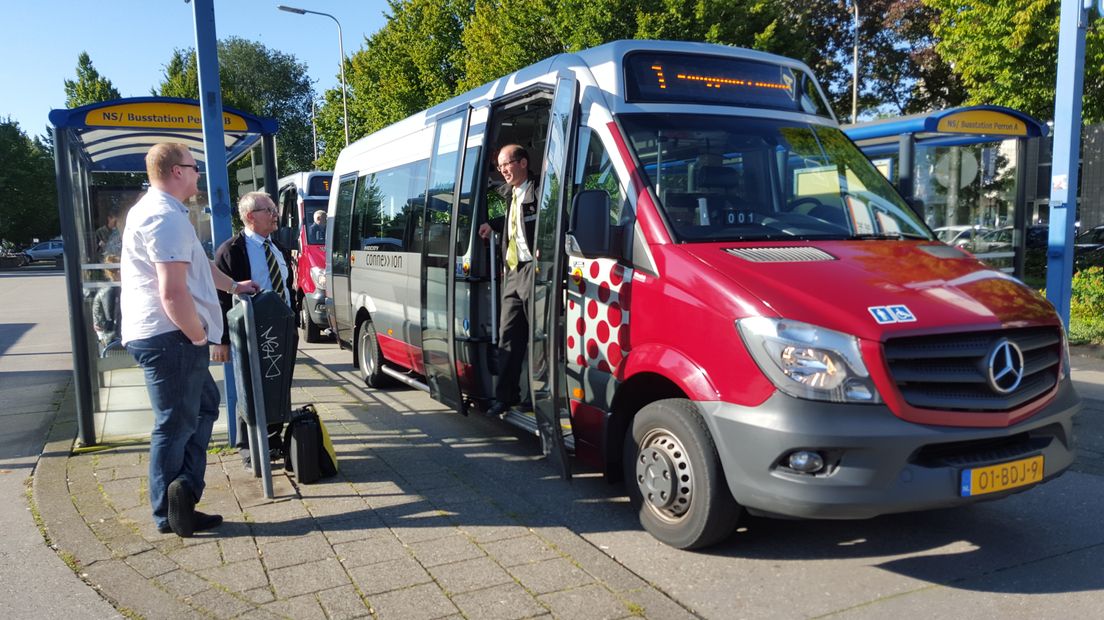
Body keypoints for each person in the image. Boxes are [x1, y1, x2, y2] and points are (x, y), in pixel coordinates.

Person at [120, 143, 259, 538]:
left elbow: (199, 266)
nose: (199, 174)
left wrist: (234, 285)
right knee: (176, 424)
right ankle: (170, 510)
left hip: (167, 335)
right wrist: (199, 337)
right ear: (176, 171)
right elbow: (172, 293)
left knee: (201, 410)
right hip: (171, 336)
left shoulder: (163, 212)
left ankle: (183, 492)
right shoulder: (164, 217)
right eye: (194, 167)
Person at [214, 191, 295, 468]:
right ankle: (248, 447)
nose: (275, 214)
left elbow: (286, 286)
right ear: (250, 216)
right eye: (268, 210)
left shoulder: (278, 248)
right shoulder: (232, 251)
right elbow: (221, 299)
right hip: (250, 332)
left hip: (281, 330)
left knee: (278, 384)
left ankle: (273, 440)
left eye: (274, 209)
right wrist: (222, 340)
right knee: (249, 386)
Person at [477, 144, 539, 417]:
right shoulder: (510, 195)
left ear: (523, 162)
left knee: (538, 338)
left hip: (535, 271)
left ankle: (537, 398)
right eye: (500, 166)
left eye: (506, 164)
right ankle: (505, 396)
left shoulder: (540, 191)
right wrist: (495, 224)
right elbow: (514, 219)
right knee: (508, 337)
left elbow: (547, 219)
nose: (502, 170)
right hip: (513, 272)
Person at [92, 254, 122, 351]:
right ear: (117, 272)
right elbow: (111, 317)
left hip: (108, 334)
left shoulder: (111, 288)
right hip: (111, 337)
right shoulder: (110, 290)